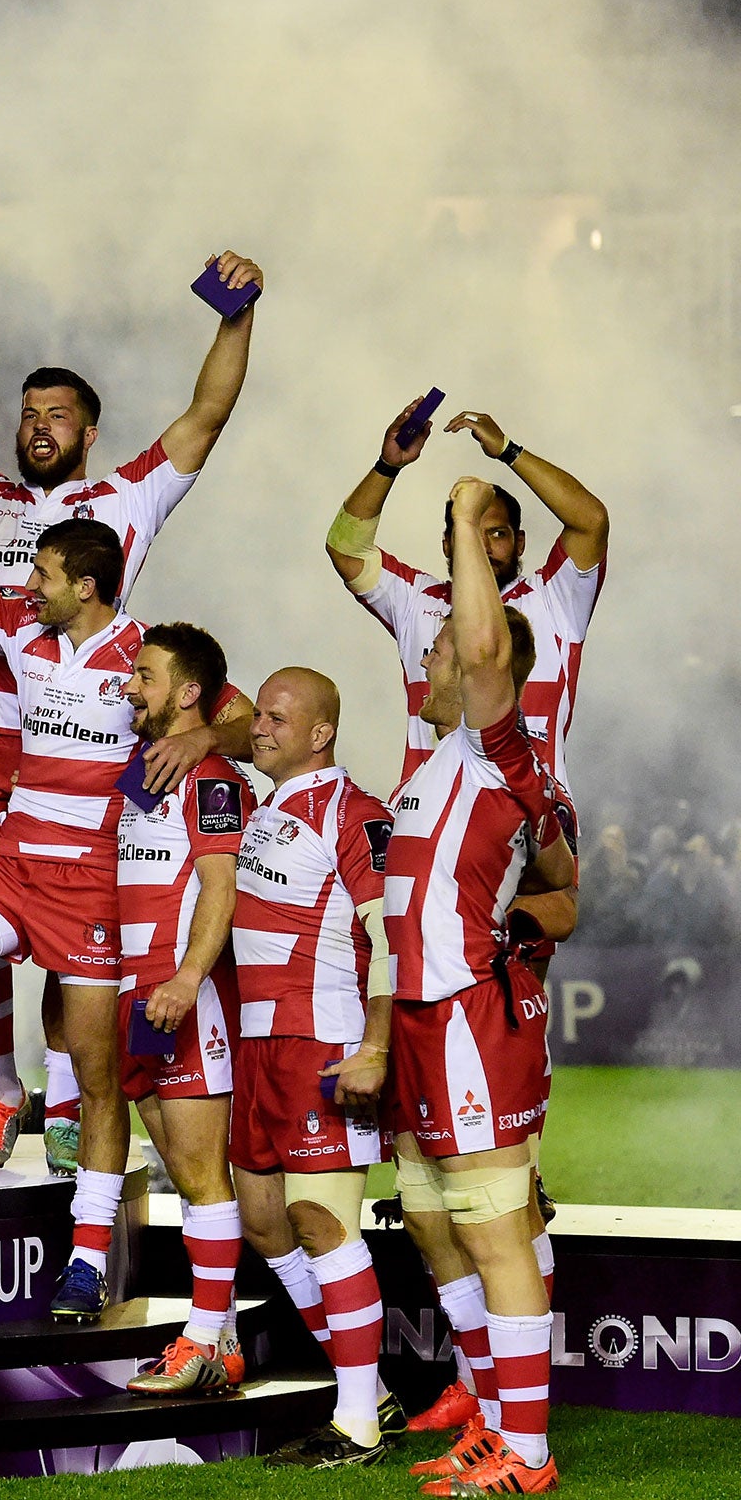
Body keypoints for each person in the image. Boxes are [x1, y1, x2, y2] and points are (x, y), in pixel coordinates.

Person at [0, 464, 250, 1324]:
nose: (25, 585)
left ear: (84, 587)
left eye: (41, 575)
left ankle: (85, 1260)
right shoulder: (23, 632)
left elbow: (243, 718)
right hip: (13, 862)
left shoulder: (145, 656)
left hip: (93, 886)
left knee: (97, 1076)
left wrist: (196, 744)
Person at [0, 253, 265, 1174]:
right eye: (29, 414)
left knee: (75, 930)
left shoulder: (123, 495)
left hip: (92, 730)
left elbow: (205, 419)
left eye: (58, 416)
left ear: (89, 431)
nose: (39, 427)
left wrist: (236, 320)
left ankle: (76, 1103)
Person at [382, 478, 579, 1496]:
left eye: (443, 646)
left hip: (467, 1009)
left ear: (477, 666)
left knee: (494, 1225)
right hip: (424, 1011)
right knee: (445, 1216)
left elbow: (561, 891)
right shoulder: (431, 767)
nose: (427, 654)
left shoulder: (489, 743)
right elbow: (557, 883)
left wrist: (463, 521)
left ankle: (528, 1459)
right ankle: (498, 1424)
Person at [229, 668, 399, 1468]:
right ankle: (375, 1395)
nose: (257, 727)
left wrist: (373, 1045)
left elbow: (391, 938)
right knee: (265, 1220)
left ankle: (359, 1420)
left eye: (274, 716)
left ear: (320, 731)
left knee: (323, 1225)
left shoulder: (354, 812)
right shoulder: (264, 808)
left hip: (319, 1040)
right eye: (257, 712)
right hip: (254, 1042)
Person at [326, 401, 607, 792]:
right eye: (471, 532)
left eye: (497, 533)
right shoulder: (417, 601)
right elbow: (345, 547)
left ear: (519, 541)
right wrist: (387, 466)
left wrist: (509, 450)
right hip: (428, 827)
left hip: (530, 829)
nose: (485, 547)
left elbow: (591, 520)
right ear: (448, 542)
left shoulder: (554, 599)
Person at [113, 624, 253, 1398]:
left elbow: (221, 888)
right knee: (186, 1171)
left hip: (183, 1002)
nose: (131, 687)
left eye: (145, 675)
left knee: (202, 1178)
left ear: (188, 692)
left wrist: (189, 977)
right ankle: (221, 1341)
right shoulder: (148, 769)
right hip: (143, 999)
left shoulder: (212, 779)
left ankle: (201, 1340)